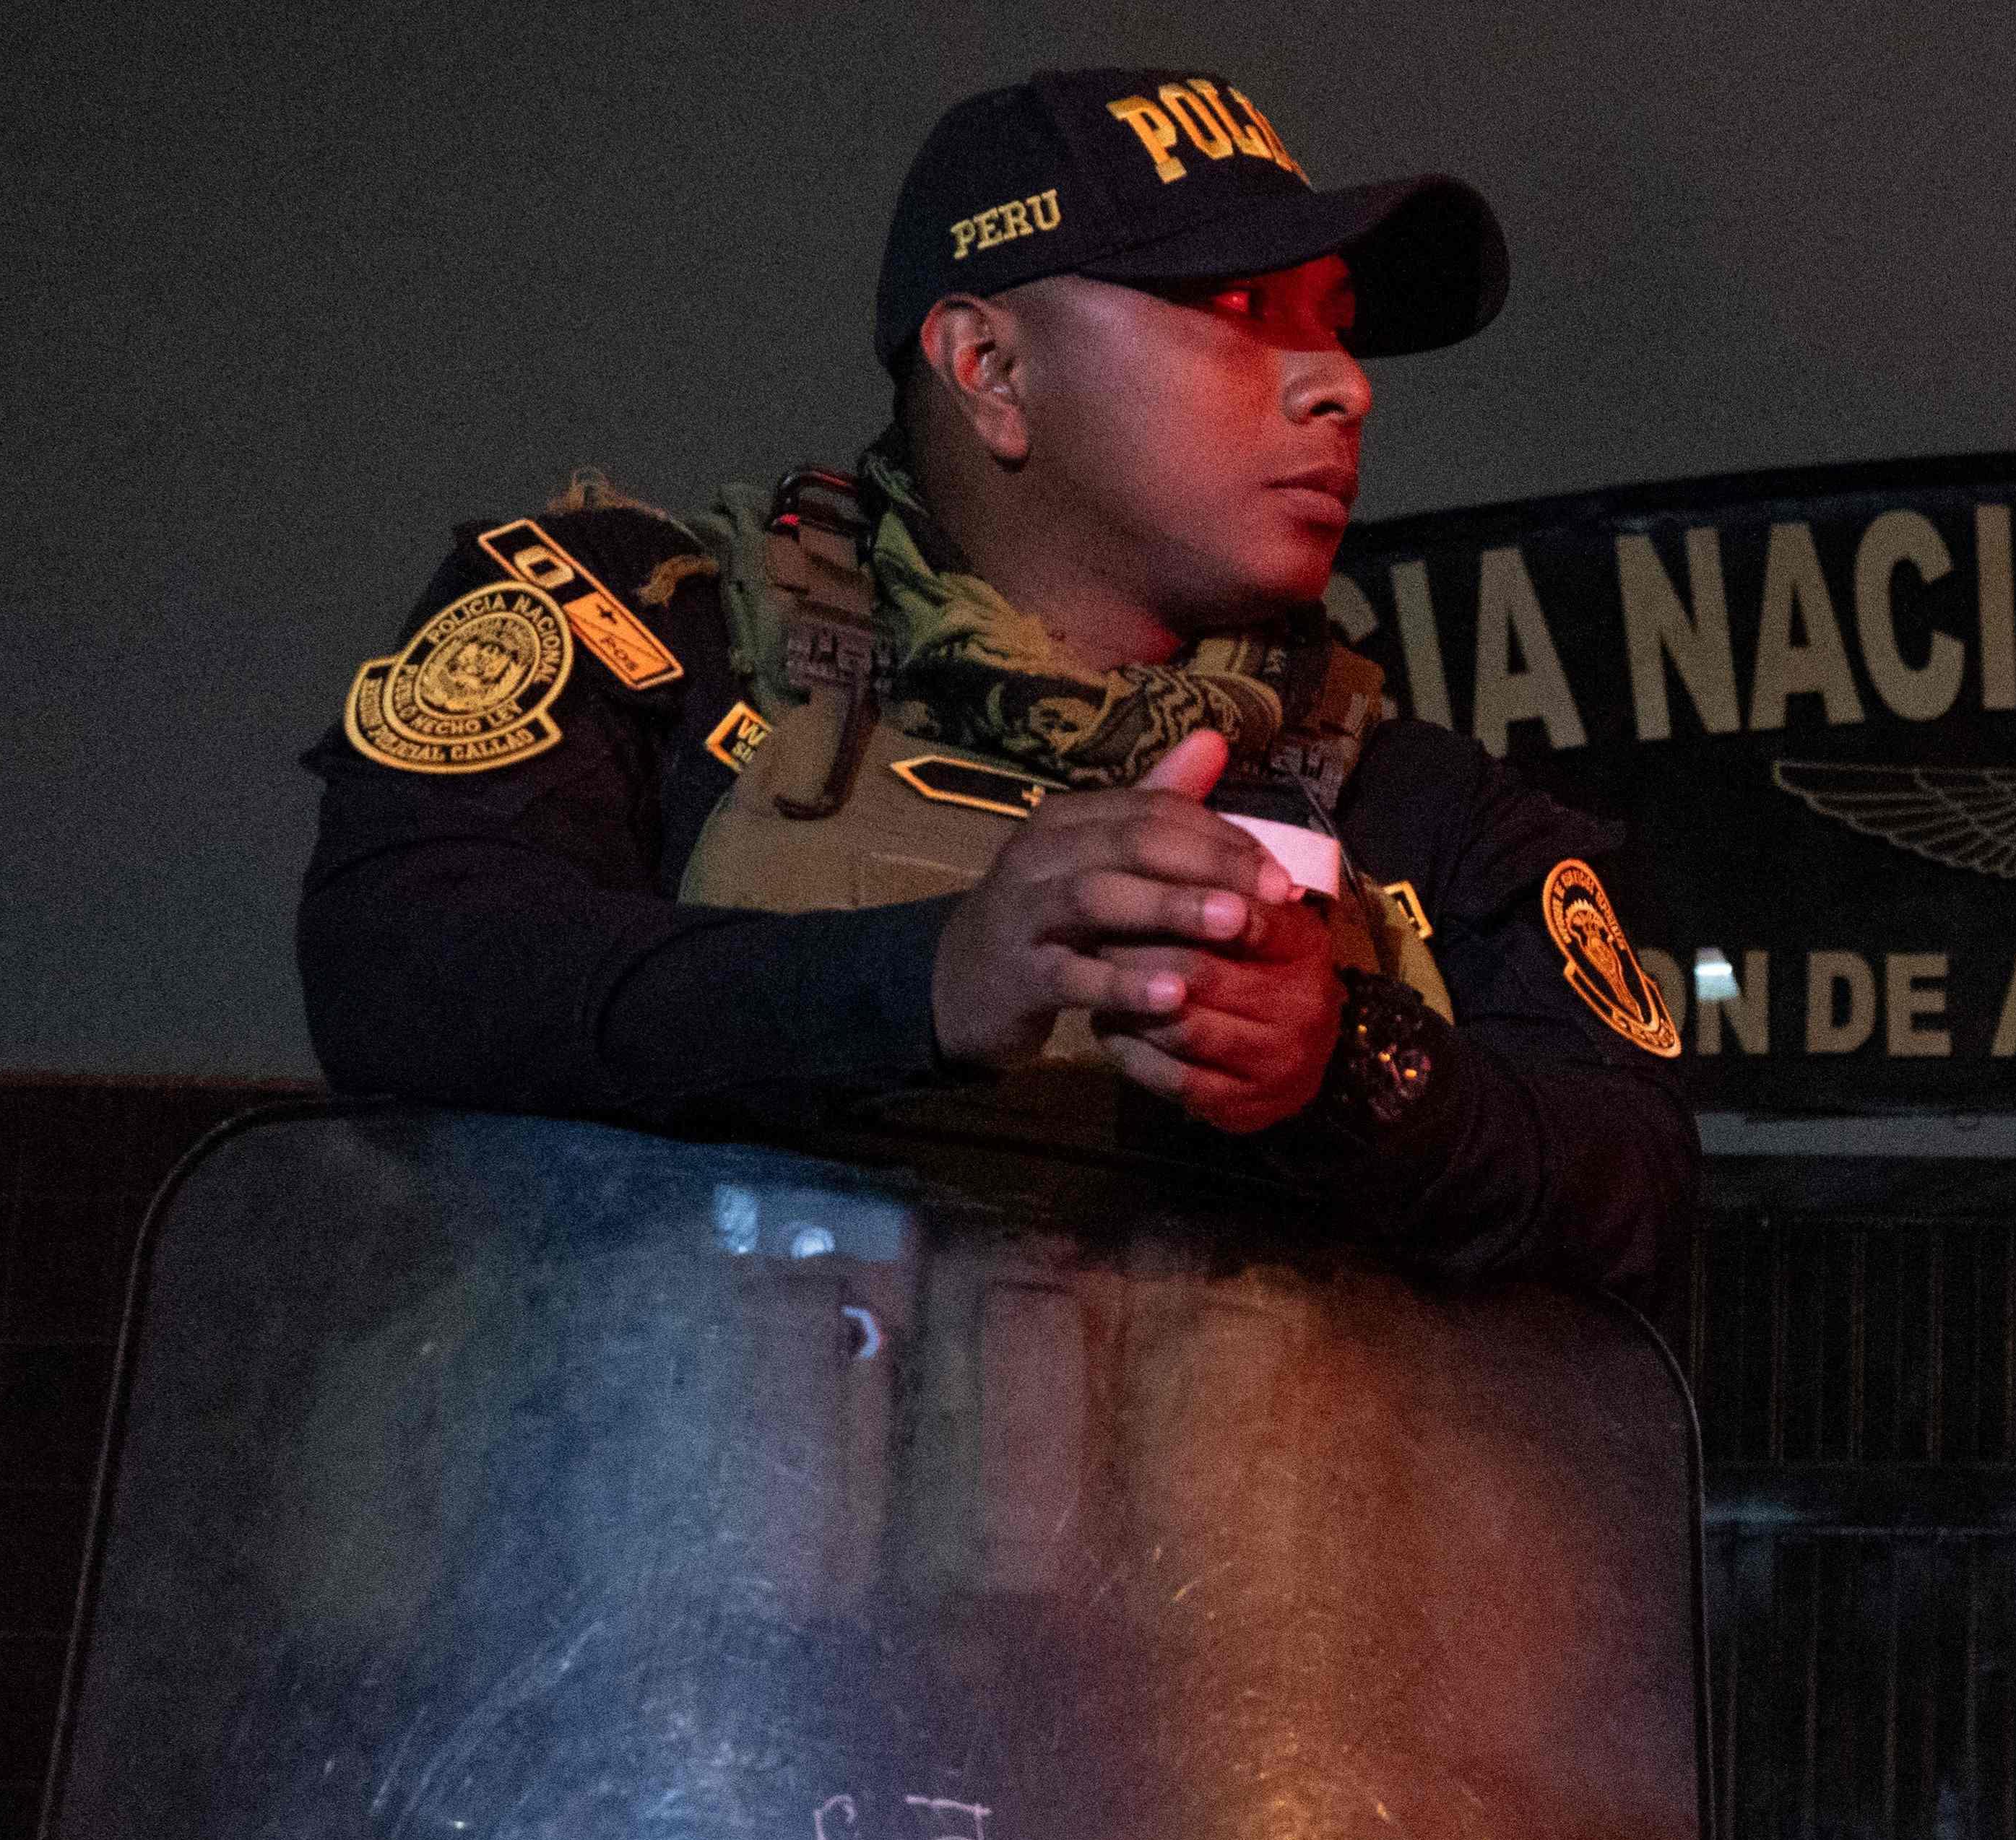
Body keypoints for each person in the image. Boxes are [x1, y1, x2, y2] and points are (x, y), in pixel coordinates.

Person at [296, 66, 1688, 1303]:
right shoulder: (641, 630)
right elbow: (408, 966)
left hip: (1237, 1593)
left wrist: (1339, 1070)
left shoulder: (1414, 801)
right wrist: (933, 978)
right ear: (990, 367)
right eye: (1243, 308)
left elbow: (1639, 1179)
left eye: (1333, 323)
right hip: (672, 1572)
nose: (1342, 385)